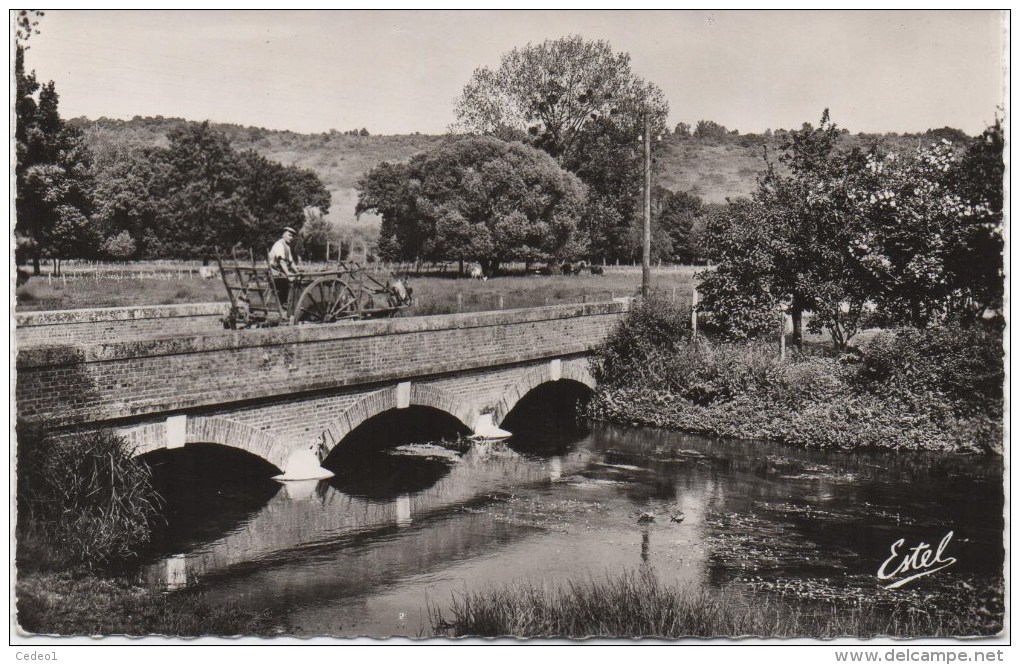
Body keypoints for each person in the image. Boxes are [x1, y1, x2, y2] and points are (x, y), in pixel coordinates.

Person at [269, 226, 299, 310]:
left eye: (292, 236)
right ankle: (284, 303)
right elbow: (281, 261)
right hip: (274, 270)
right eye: (289, 235)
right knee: (288, 279)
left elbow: (291, 262)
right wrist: (288, 274)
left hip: (280, 270)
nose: (291, 238)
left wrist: (297, 272)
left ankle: (288, 302)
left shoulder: (287, 247)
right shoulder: (279, 244)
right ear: (283, 235)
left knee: (294, 278)